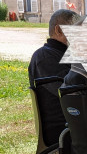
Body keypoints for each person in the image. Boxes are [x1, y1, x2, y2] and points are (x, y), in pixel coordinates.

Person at [27, 9, 81, 144]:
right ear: (59, 30)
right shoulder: (44, 56)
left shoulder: (66, 54)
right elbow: (71, 91)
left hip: (77, 120)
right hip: (65, 127)